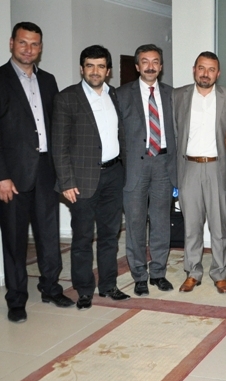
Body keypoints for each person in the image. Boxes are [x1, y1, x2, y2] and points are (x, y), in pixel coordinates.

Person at [0, 22, 73, 323]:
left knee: (48, 235)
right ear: (11, 43)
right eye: (23, 42)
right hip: (12, 176)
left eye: (34, 44)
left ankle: (51, 288)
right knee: (15, 239)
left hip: (46, 171)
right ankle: (16, 299)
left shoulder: (48, 81)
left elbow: (56, 126)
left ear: (40, 47)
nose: (28, 49)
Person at [52, 45, 129, 310]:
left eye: (100, 66)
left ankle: (108, 285)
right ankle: (84, 290)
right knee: (82, 238)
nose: (95, 71)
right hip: (81, 181)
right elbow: (59, 145)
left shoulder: (114, 95)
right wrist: (66, 182)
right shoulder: (67, 98)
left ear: (108, 70)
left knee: (110, 235)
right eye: (90, 65)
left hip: (114, 175)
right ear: (82, 68)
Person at [173, 52, 226, 294]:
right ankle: (193, 272)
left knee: (219, 226)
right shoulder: (178, 96)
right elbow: (174, 132)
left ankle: (220, 273)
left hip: (217, 168)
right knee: (192, 225)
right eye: (201, 68)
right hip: (188, 167)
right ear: (194, 69)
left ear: (218, 73)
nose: (205, 73)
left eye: (211, 69)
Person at [117, 44, 177, 297]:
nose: (150, 66)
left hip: (163, 164)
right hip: (135, 167)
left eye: (155, 62)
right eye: (145, 61)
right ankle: (139, 275)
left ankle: (159, 273)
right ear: (137, 66)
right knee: (135, 223)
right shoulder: (121, 94)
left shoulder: (172, 94)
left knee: (161, 222)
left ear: (161, 66)